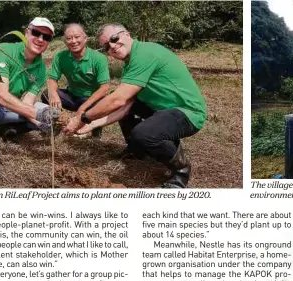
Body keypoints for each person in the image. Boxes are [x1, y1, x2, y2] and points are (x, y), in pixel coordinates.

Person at [62, 23, 207, 188]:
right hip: (163, 110)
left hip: (188, 112)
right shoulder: (129, 66)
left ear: (127, 34)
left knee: (143, 134)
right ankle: (135, 149)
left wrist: (84, 118)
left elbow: (118, 99)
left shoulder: (145, 53)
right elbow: (123, 107)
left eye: (114, 39)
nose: (112, 46)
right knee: (129, 111)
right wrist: (91, 125)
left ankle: (181, 169)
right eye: (106, 46)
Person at [0, 17, 59, 173]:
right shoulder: (3, 51)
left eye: (46, 37)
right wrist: (37, 114)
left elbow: (28, 102)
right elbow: (1, 95)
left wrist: (41, 124)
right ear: (26, 33)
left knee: (48, 113)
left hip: (7, 111)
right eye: (36, 33)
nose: (40, 39)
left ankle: (8, 129)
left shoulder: (42, 69)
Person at [43, 23, 110, 138]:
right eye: (69, 38)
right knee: (46, 94)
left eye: (77, 37)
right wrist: (53, 94)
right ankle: (58, 124)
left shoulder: (99, 58)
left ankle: (95, 130)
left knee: (100, 103)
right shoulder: (60, 56)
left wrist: (82, 108)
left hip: (90, 99)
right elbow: (52, 79)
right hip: (72, 96)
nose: (73, 41)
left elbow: (104, 88)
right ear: (65, 41)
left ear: (85, 38)